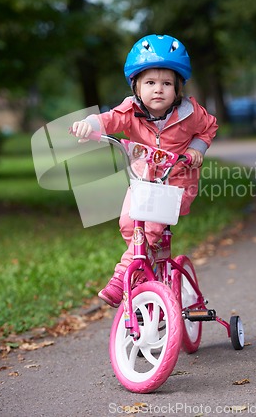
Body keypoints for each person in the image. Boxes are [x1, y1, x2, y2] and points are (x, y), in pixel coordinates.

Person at [72, 34, 218, 307]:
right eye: (150, 83)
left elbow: (209, 127)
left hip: (177, 182)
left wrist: (197, 149)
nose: (158, 89)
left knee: (149, 224)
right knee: (129, 222)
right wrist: (89, 124)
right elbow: (108, 118)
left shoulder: (190, 113)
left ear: (178, 88)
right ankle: (145, 262)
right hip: (142, 181)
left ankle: (124, 275)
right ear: (136, 86)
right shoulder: (131, 110)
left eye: (166, 83)